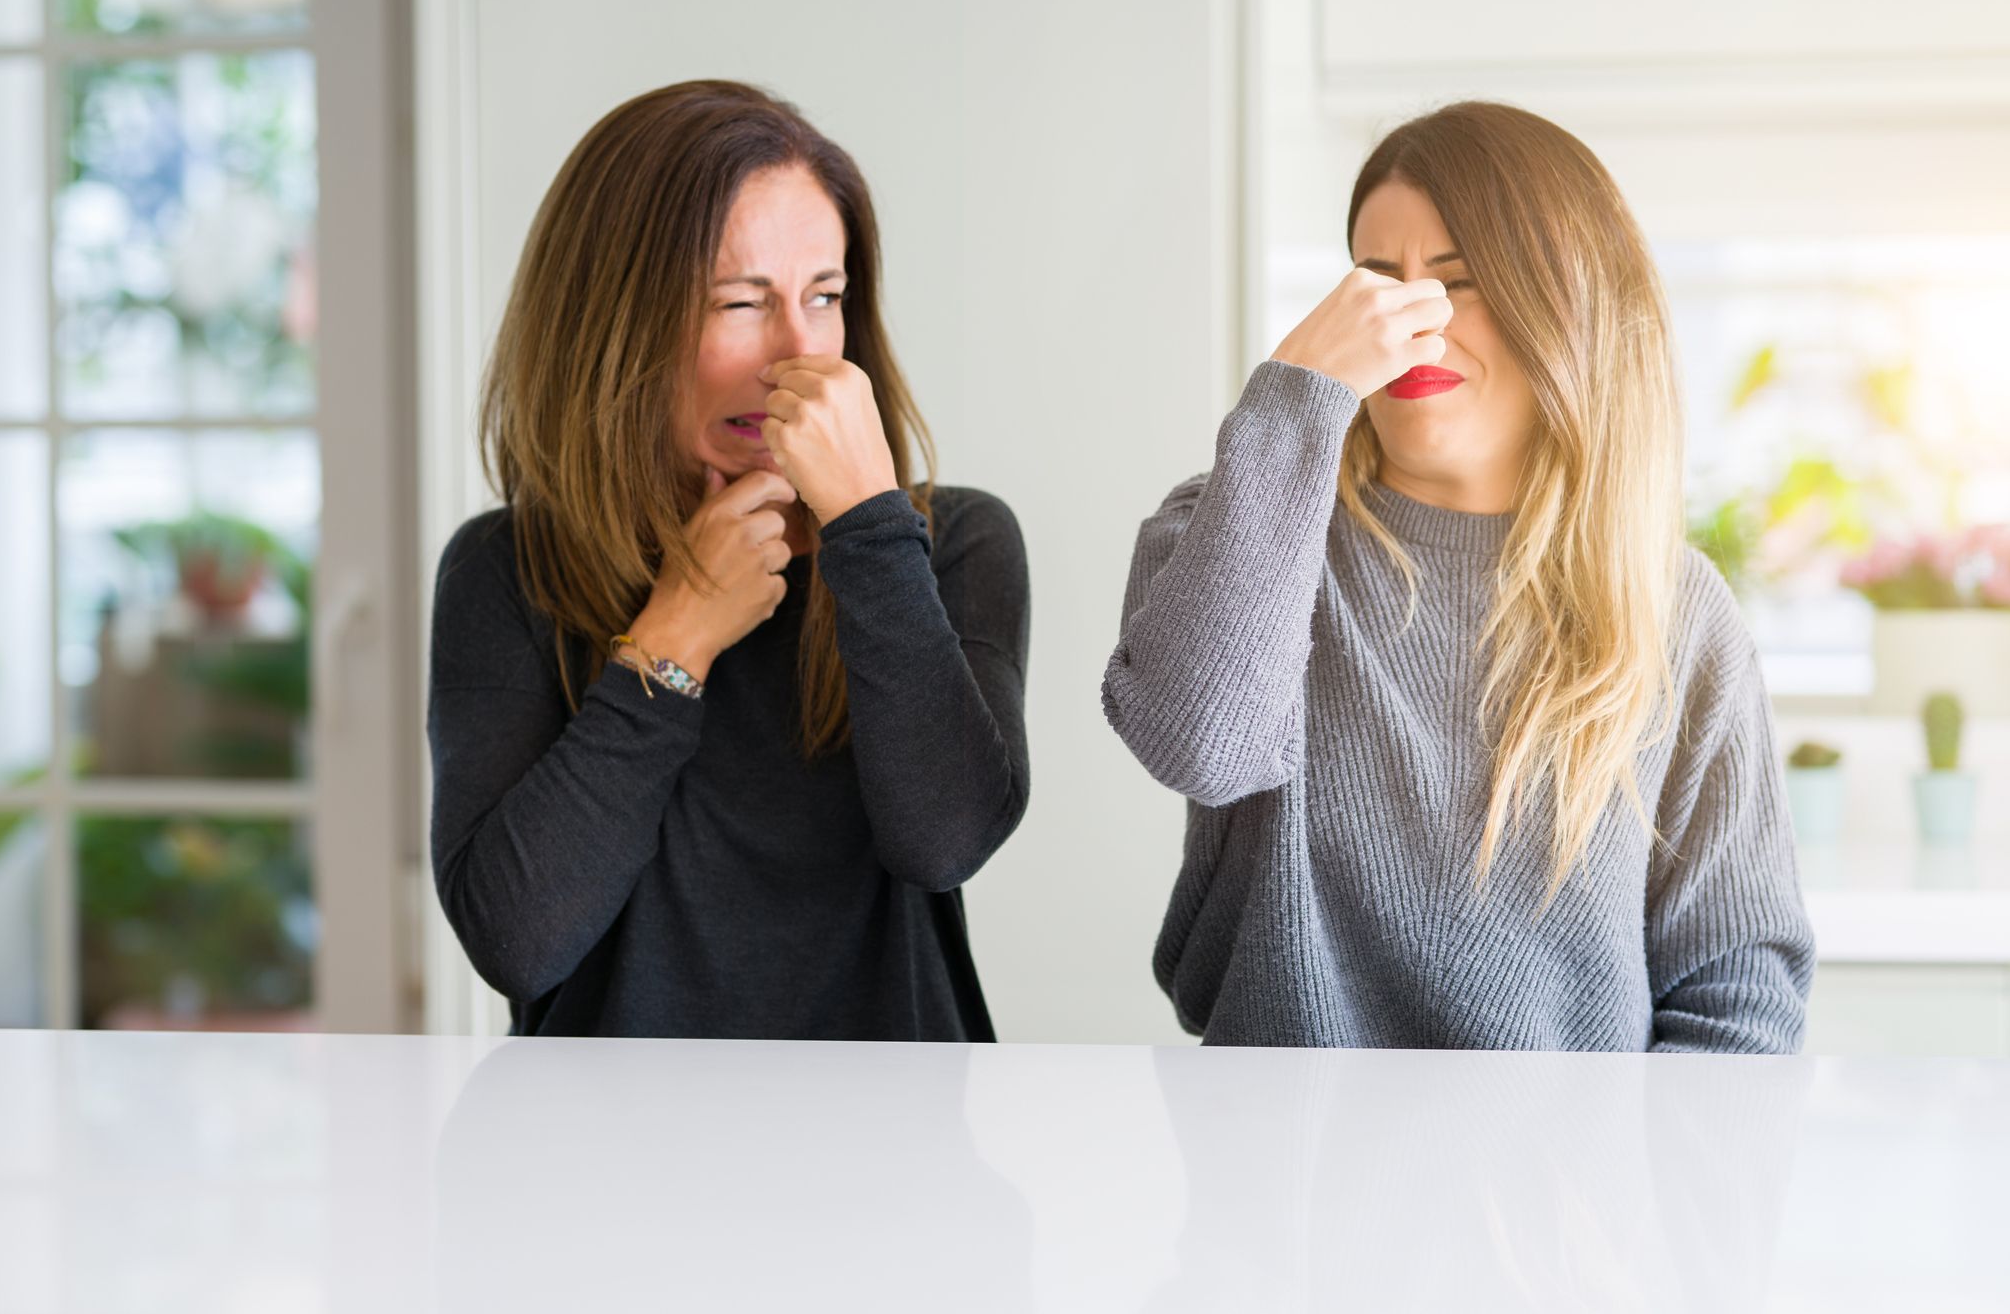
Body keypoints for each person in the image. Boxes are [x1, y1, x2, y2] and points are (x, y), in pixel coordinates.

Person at [1103, 101, 1813, 1052]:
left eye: (1459, 280)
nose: (1409, 322)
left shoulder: (1674, 607)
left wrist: (1647, 1196)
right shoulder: (1231, 525)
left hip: (1574, 1192)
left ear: (1563, 302)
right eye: (1374, 282)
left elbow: (1737, 987)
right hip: (1272, 1175)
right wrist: (1294, 400)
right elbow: (1201, 746)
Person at [429, 80, 1030, 1039]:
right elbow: (516, 940)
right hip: (599, 1167)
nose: (799, 353)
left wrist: (870, 529)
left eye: (823, 297)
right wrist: (675, 641)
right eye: (740, 303)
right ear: (615, 325)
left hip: (898, 1161)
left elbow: (945, 839)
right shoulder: (506, 571)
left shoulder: (952, 543)